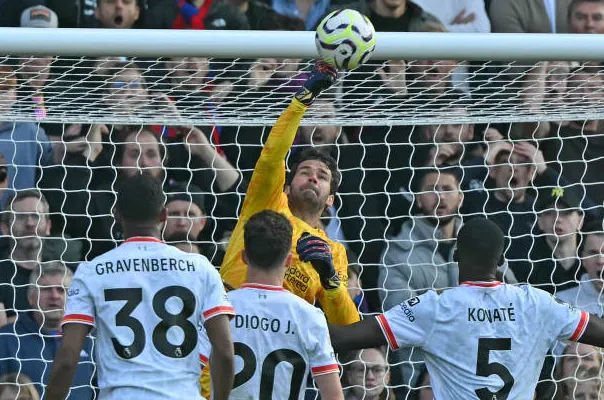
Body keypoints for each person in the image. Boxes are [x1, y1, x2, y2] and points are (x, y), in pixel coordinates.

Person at [329, 217, 604, 399]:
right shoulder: (537, 303)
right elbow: (596, 331)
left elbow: (343, 338)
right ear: (501, 260)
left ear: (456, 256)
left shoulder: (434, 308)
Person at [44, 173, 235, 400]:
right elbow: (224, 352)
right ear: (163, 216)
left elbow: (67, 359)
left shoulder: (92, 271)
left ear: (116, 216)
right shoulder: (200, 268)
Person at [220, 61, 359, 326]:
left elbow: (348, 324)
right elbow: (273, 157)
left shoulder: (334, 252)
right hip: (232, 323)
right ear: (286, 186)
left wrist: (330, 280)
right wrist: (302, 100)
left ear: (331, 199)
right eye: (305, 171)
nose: (313, 177)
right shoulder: (266, 204)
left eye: (323, 176)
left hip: (284, 344)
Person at [226, 209, 343, 399]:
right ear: (288, 261)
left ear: (244, 257)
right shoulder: (310, 316)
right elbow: (334, 396)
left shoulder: (221, 307)